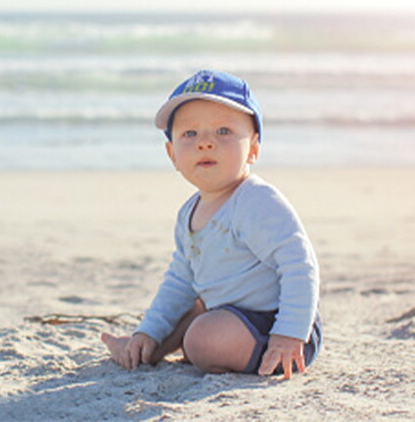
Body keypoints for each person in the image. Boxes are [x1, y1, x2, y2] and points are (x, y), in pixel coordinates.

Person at [101, 70, 322, 380]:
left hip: (276, 324)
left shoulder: (256, 200)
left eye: (223, 131)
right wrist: (148, 331)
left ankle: (222, 345)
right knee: (191, 312)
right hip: (227, 317)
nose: (205, 143)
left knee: (201, 337)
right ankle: (142, 349)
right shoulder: (188, 212)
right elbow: (179, 282)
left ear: (254, 148)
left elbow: (299, 265)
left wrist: (290, 334)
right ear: (172, 154)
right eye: (189, 134)